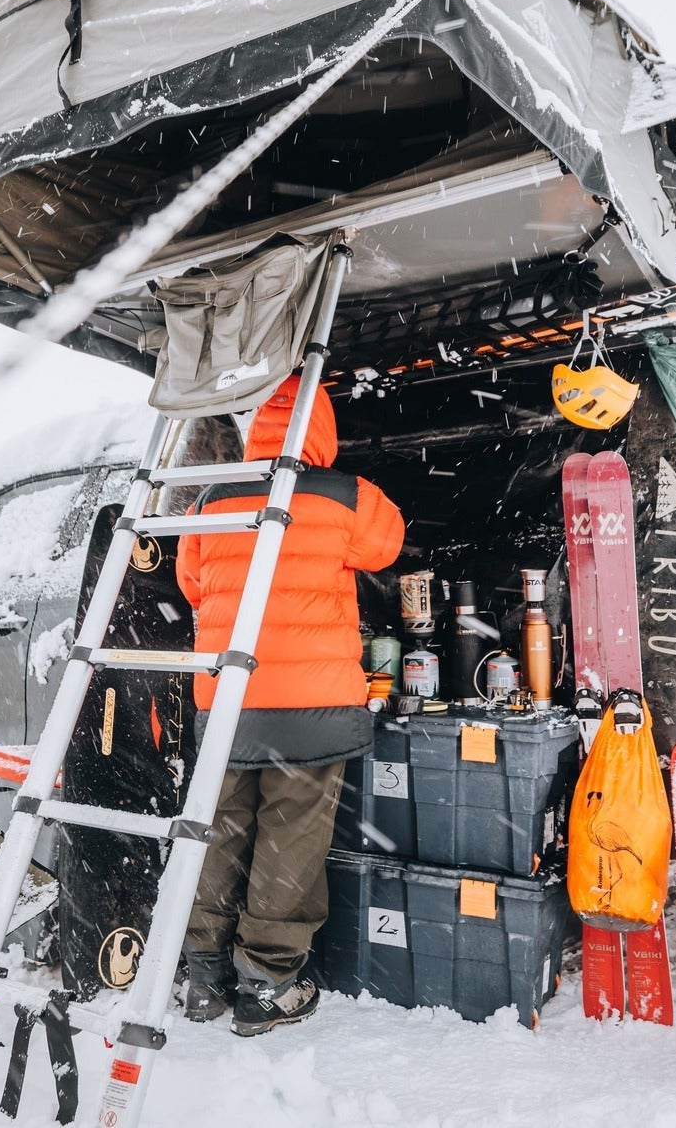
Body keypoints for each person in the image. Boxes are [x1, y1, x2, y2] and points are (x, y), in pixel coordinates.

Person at [174, 374, 404, 1035]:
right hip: (311, 707)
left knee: (220, 829)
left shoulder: (215, 499)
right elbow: (389, 541)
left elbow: (192, 583)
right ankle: (267, 980)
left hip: (228, 700)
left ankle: (201, 973)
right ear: (322, 433)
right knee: (290, 835)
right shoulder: (343, 495)